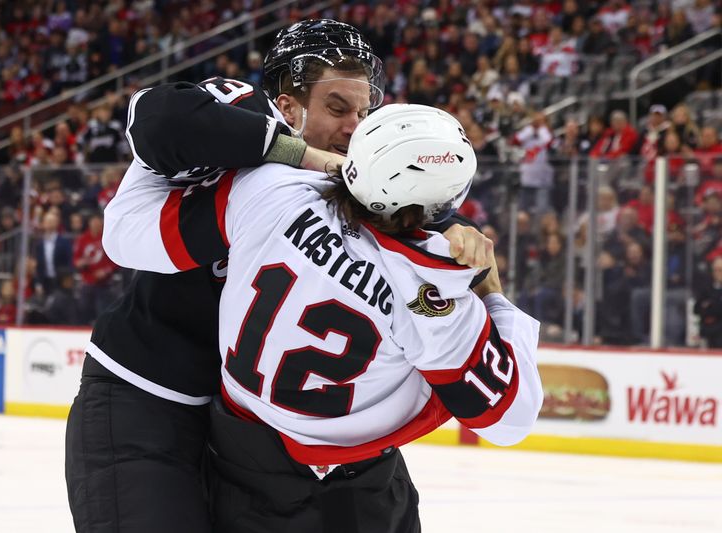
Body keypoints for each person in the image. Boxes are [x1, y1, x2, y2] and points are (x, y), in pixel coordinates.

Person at [65, 19, 493, 533]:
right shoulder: (240, 108)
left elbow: (422, 214)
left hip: (247, 431)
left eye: (363, 111)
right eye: (337, 109)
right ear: (286, 106)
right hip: (148, 396)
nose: (356, 127)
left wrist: (459, 231)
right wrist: (300, 157)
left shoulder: (363, 173)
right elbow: (156, 121)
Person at [103, 103, 542, 532]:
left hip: (240, 457)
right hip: (354, 486)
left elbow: (129, 239)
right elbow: (508, 420)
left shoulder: (271, 187)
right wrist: (490, 292)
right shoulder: (428, 294)